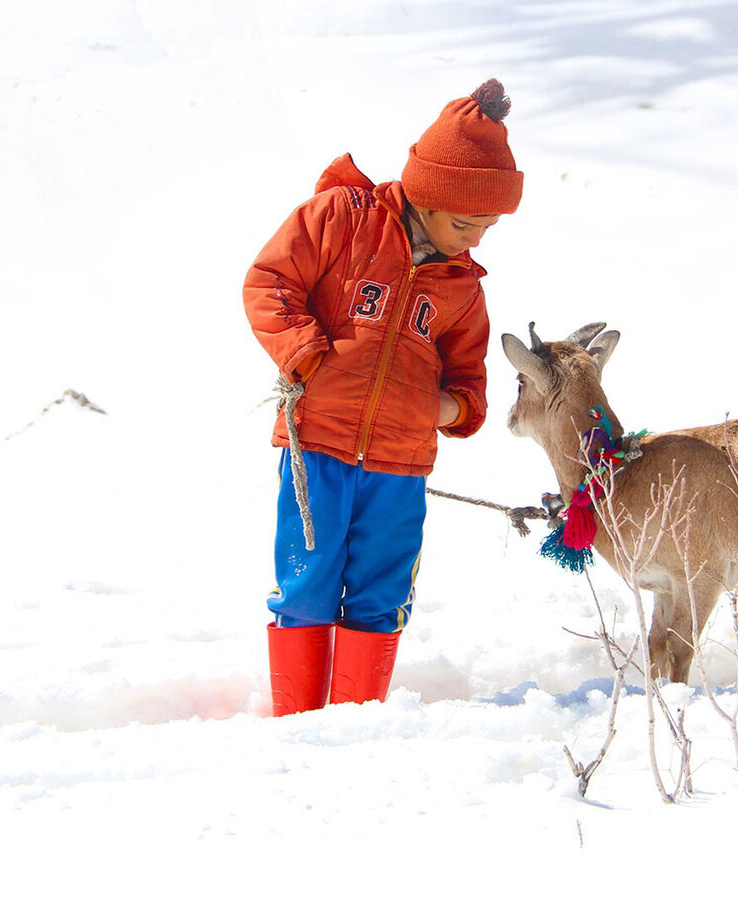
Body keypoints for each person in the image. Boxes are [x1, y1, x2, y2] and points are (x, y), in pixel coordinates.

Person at [242, 79, 523, 716]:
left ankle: (355, 725)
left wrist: (446, 411)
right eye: (464, 222)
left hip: (400, 464)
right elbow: (269, 281)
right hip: (317, 443)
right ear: (428, 196)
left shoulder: (463, 289)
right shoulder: (340, 219)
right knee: (307, 581)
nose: (474, 239)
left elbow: (468, 384)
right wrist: (302, 350)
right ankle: (298, 720)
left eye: (488, 227)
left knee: (380, 590)